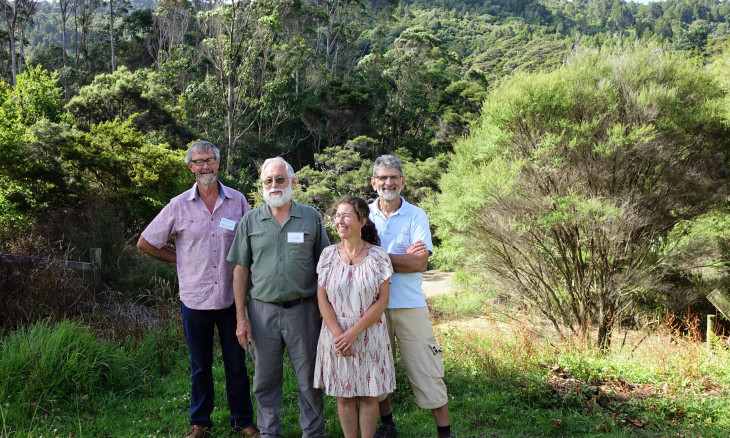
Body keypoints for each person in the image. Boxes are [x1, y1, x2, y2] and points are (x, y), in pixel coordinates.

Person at [136, 140, 260, 438]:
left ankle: (242, 421)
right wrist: (180, 260)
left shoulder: (238, 201)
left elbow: (253, 243)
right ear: (191, 167)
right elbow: (145, 242)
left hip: (232, 299)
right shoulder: (178, 205)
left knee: (236, 364)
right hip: (195, 299)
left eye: (211, 160)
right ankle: (200, 422)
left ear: (218, 163)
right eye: (200, 161)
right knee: (200, 367)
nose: (206, 166)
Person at [227, 157, 330, 438]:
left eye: (280, 179)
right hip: (261, 314)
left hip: (304, 311)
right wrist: (240, 318)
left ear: (292, 182)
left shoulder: (311, 217)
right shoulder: (250, 220)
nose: (274, 185)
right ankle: (269, 433)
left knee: (310, 380)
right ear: (262, 185)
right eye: (268, 181)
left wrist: (329, 314)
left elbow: (326, 266)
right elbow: (240, 270)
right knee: (265, 380)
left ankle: (313, 433)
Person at [368, 155, 453, 438]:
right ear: (374, 183)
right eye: (383, 177)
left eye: (394, 177)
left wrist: (376, 257)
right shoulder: (363, 215)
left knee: (427, 366)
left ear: (402, 181)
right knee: (378, 367)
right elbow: (355, 257)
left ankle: (444, 433)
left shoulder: (417, 215)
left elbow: (420, 263)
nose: (388, 182)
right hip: (372, 307)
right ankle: (387, 425)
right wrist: (398, 258)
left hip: (410, 304)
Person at [314, 196, 396, 438]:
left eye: (346, 216)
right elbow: (322, 299)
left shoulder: (379, 256)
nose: (340, 221)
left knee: (370, 394)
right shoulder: (327, 255)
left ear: (361, 221)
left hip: (369, 334)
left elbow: (382, 300)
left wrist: (353, 333)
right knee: (345, 395)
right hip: (336, 336)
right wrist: (340, 336)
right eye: (337, 215)